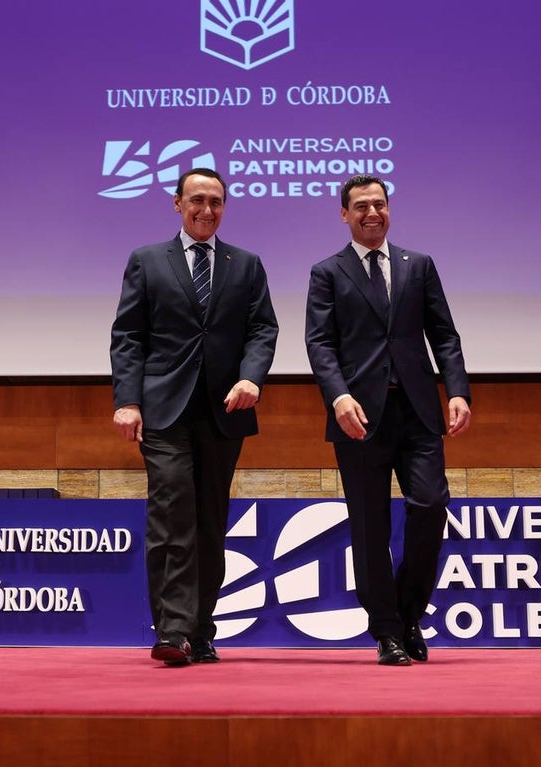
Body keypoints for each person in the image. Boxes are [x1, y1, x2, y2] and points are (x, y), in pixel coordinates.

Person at [110, 168, 278, 666]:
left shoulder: (245, 264)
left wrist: (252, 377)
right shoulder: (146, 260)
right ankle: (173, 629)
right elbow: (128, 336)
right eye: (198, 200)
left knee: (208, 522)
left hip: (224, 411)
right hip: (164, 409)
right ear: (177, 203)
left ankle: (201, 629)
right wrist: (127, 400)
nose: (207, 209)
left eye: (217, 201)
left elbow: (263, 329)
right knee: (171, 512)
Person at [305, 174, 472, 666]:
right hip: (358, 417)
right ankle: (387, 632)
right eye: (361, 206)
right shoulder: (327, 272)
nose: (372, 213)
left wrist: (457, 391)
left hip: (418, 412)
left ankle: (408, 615)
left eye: (379, 204)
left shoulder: (418, 265)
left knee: (431, 505)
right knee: (369, 527)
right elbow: (320, 343)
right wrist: (338, 398)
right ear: (344, 214)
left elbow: (444, 335)